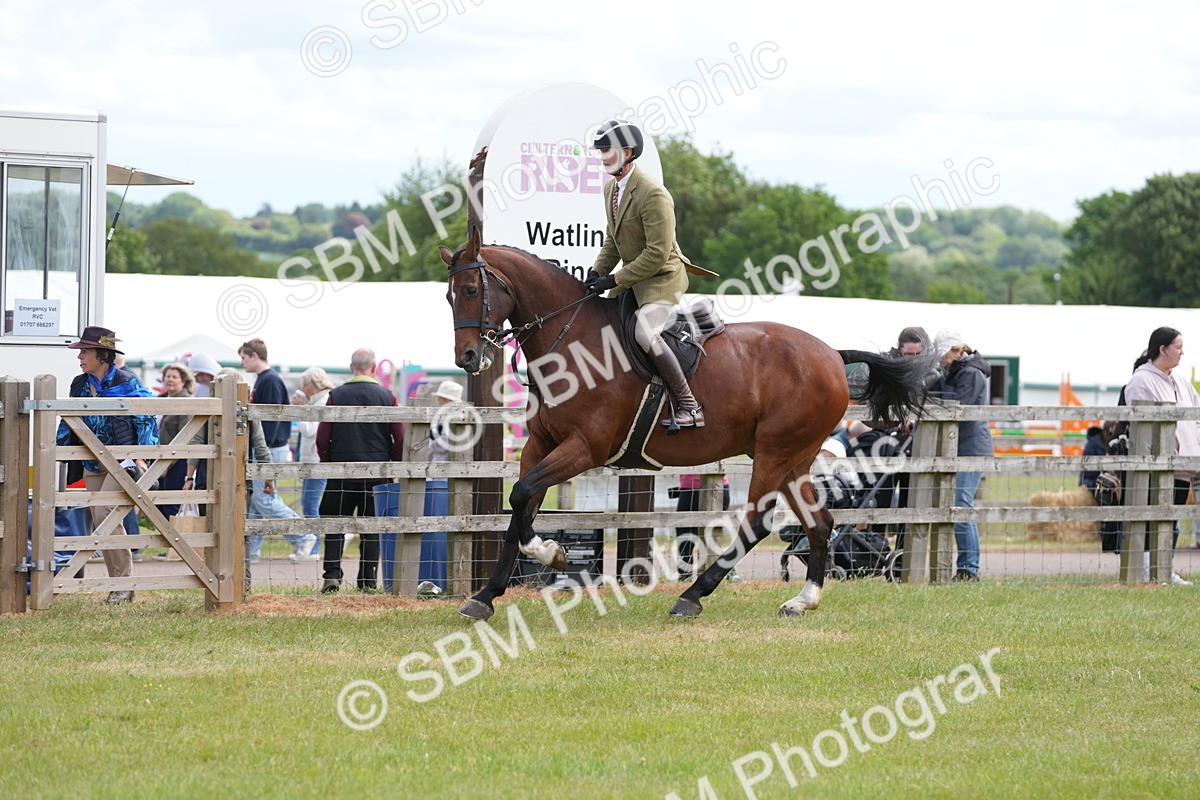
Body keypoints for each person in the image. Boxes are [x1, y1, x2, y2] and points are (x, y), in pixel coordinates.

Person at [585, 118, 702, 431]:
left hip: (662, 277)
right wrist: (597, 272)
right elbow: (614, 240)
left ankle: (689, 406)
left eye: (607, 151)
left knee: (644, 333)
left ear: (628, 152)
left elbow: (656, 254)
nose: (602, 157)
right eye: (600, 151)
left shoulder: (653, 194)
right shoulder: (612, 188)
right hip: (635, 277)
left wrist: (617, 279)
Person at [55, 326, 158, 604]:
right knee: (101, 518)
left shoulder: (126, 380)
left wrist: (141, 457)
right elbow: (68, 419)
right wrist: (58, 452)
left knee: (105, 513)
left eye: (85, 352)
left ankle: (123, 584)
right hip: (90, 459)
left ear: (102, 354)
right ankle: (120, 585)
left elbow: (146, 418)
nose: (80, 357)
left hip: (120, 460)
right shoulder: (79, 383)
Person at [316, 348, 405, 592]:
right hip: (376, 475)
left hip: (341, 472)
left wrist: (329, 464)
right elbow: (399, 435)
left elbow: (323, 436)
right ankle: (367, 580)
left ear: (350, 367)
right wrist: (391, 467)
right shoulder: (387, 396)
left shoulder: (336, 394)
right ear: (374, 367)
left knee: (334, 525)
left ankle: (332, 576)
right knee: (371, 530)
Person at [1122, 327, 1197, 585]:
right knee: (1152, 517)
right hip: (1158, 465)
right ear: (1162, 349)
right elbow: (1142, 427)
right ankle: (1147, 569)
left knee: (1171, 519)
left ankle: (1164, 569)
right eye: (1178, 346)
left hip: (1185, 464)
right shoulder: (1142, 381)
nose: (1182, 351)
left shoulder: (1181, 382)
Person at [934, 330, 993, 582]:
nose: (940, 360)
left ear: (958, 351)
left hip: (970, 447)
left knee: (961, 504)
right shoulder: (956, 372)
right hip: (961, 446)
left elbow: (958, 408)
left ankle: (969, 568)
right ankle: (966, 567)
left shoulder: (970, 373)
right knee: (959, 505)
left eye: (943, 355)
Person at [294, 366, 334, 560]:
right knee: (310, 503)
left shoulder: (323, 401)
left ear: (314, 384)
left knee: (310, 504)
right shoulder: (318, 400)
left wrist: (301, 410)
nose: (303, 388)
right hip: (311, 459)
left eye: (304, 384)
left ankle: (314, 547)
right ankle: (315, 545)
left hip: (316, 460)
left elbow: (310, 430)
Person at [672, 473, 731, 581]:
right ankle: (723, 574)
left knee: (685, 533)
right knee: (714, 535)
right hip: (721, 486)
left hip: (691, 487)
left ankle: (685, 576)